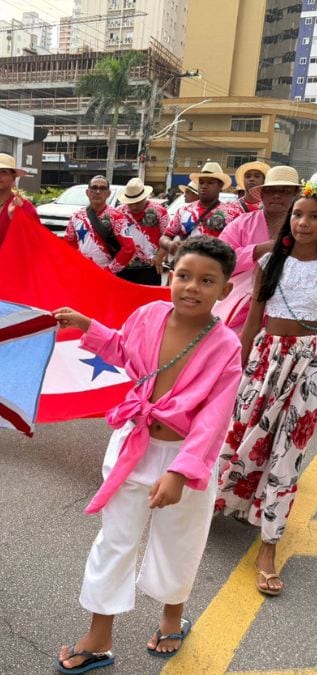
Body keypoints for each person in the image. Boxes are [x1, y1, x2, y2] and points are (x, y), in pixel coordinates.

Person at [51, 237, 242, 672]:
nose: (192, 287)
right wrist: (88, 327)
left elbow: (214, 419)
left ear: (225, 290)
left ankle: (172, 616)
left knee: (180, 540)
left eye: (207, 281)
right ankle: (99, 635)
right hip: (132, 447)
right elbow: (125, 351)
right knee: (115, 539)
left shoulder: (226, 345)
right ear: (169, 276)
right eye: (184, 276)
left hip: (185, 459)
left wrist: (180, 472)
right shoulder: (148, 315)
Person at [214, 172, 317, 597]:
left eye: (314, 217)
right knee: (241, 437)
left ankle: (268, 548)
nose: (303, 223)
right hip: (263, 357)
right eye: (298, 215)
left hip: (310, 362)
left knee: (287, 453)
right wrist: (235, 369)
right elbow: (253, 319)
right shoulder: (270, 261)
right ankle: (216, 505)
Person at [216, 165, 303, 331]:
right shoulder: (241, 223)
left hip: (287, 310)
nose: (277, 195)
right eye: (271, 190)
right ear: (262, 195)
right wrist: (260, 249)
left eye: (285, 191)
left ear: (294, 195)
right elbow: (219, 260)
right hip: (240, 307)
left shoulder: (305, 228)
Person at [63, 175, 138, 276]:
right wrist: (75, 265)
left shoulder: (117, 217)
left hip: (106, 275)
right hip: (82, 272)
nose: (97, 192)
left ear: (108, 194)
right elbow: (68, 244)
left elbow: (129, 248)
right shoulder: (76, 216)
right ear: (87, 192)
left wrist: (110, 271)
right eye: (94, 188)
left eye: (102, 188)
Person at [160, 163, 240, 257]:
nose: (204, 186)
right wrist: (169, 244)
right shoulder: (184, 210)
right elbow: (165, 237)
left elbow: (239, 245)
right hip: (186, 265)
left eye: (210, 183)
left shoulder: (233, 213)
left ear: (220, 185)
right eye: (201, 182)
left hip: (216, 268)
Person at [114, 178, 168, 285]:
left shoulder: (159, 211)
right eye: (130, 203)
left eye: (137, 202)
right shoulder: (119, 212)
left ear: (145, 197)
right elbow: (113, 238)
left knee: (150, 299)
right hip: (125, 266)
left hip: (151, 266)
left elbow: (167, 236)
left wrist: (159, 256)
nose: (134, 207)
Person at [0, 152, 37, 248]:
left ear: (14, 177)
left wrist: (17, 218)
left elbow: (35, 240)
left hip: (10, 261)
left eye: (3, 172)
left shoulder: (24, 206)